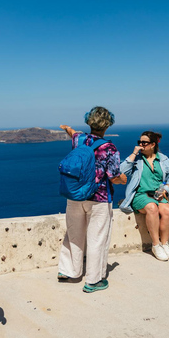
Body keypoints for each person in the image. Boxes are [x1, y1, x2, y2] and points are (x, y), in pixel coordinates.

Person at [58, 107, 126, 292]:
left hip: (75, 196)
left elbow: (73, 132)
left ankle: (68, 271)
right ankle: (94, 281)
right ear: (108, 125)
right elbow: (113, 177)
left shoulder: (78, 140)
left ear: (89, 122)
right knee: (97, 239)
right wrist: (123, 179)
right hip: (99, 199)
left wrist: (67, 128)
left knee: (73, 233)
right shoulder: (109, 148)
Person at [119, 131, 169, 261]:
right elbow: (121, 171)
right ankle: (156, 245)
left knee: (167, 210)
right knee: (152, 208)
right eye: (139, 142)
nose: (141, 145)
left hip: (158, 195)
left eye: (144, 143)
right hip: (140, 195)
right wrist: (134, 153)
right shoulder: (137, 160)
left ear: (152, 145)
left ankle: (165, 244)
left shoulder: (163, 160)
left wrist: (166, 190)